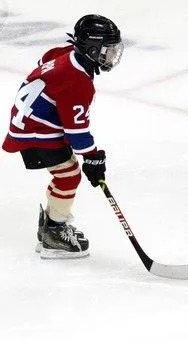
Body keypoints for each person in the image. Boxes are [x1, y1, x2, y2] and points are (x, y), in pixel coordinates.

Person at [2, 14, 123, 259]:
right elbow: (76, 132)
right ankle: (54, 234)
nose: (112, 56)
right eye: (107, 50)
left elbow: (44, 61)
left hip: (31, 122)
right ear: (90, 49)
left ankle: (51, 223)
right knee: (68, 175)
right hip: (36, 130)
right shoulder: (77, 81)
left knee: (66, 173)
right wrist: (93, 158)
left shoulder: (66, 53)